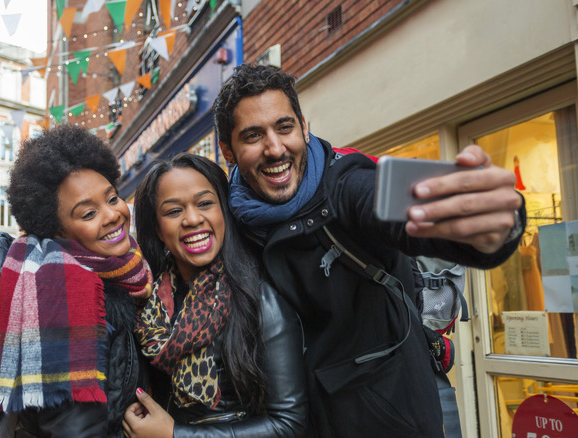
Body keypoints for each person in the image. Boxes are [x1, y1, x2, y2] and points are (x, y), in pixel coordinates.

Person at [212, 64, 525, 437]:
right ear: (228, 152)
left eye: (284, 127)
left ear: (304, 127)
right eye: (253, 136)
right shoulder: (231, 221)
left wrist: (492, 230)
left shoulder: (346, 184)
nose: (275, 148)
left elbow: (405, 215)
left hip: (387, 420)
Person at [122, 153, 309, 437]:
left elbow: (290, 424)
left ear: (224, 211)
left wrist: (176, 435)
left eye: (205, 203)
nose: (193, 219)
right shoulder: (146, 306)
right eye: (174, 211)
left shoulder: (260, 299)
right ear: (158, 229)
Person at [0, 124, 152, 437]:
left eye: (113, 198)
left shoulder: (132, 272)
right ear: (58, 230)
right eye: (88, 214)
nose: (112, 215)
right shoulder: (64, 297)